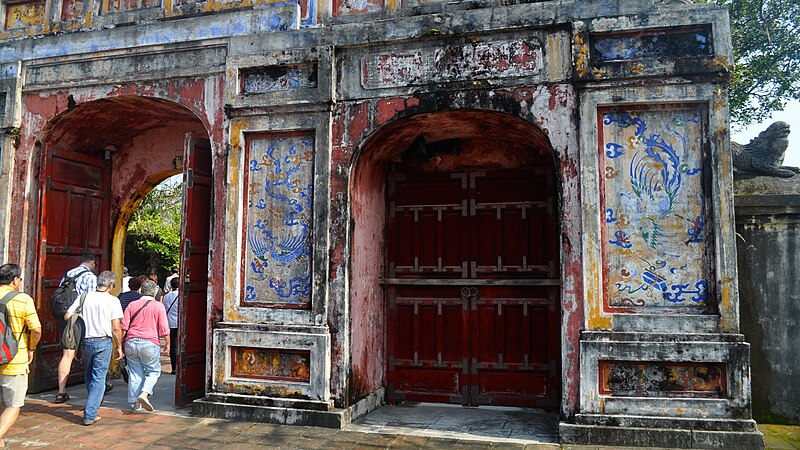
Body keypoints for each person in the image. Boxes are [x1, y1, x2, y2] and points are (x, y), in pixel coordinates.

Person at [64, 271, 123, 426]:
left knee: (89, 374)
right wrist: (120, 347)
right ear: (111, 286)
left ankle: (92, 404)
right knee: (98, 378)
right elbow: (116, 327)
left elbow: (67, 316)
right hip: (104, 342)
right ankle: (90, 413)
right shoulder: (113, 301)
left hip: (87, 341)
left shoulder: (84, 296)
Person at [0, 264, 42, 449]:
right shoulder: (23, 299)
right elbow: (36, 329)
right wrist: (31, 348)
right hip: (13, 359)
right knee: (13, 404)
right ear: (15, 280)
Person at [55, 253, 97, 404]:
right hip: (81, 319)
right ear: (92, 262)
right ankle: (94, 390)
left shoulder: (68, 274)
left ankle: (61, 392)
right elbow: (91, 300)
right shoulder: (90, 277)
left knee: (67, 355)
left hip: (66, 317)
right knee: (91, 353)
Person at [121, 280, 169, 412]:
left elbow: (124, 326)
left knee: (135, 373)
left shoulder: (132, 305)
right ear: (154, 292)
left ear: (140, 291)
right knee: (153, 371)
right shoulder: (158, 306)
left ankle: (135, 403)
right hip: (149, 342)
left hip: (131, 341)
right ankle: (144, 393)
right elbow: (164, 328)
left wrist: (120, 344)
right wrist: (168, 344)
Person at [161, 277, 180, 374]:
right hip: (180, 323)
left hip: (170, 323)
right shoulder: (181, 295)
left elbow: (164, 308)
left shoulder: (167, 296)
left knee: (173, 345)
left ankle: (174, 368)